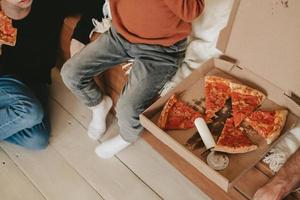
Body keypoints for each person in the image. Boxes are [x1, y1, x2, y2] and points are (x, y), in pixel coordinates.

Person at [61, 0, 205, 158]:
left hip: (161, 49)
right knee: (70, 73)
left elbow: (192, 11)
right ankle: (99, 105)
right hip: (121, 34)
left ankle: (126, 138)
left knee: (127, 108)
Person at [0, 0, 103, 149]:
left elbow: (98, 3)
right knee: (29, 110)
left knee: (37, 140)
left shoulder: (51, 3)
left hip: (33, 80)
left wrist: (79, 37)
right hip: (3, 78)